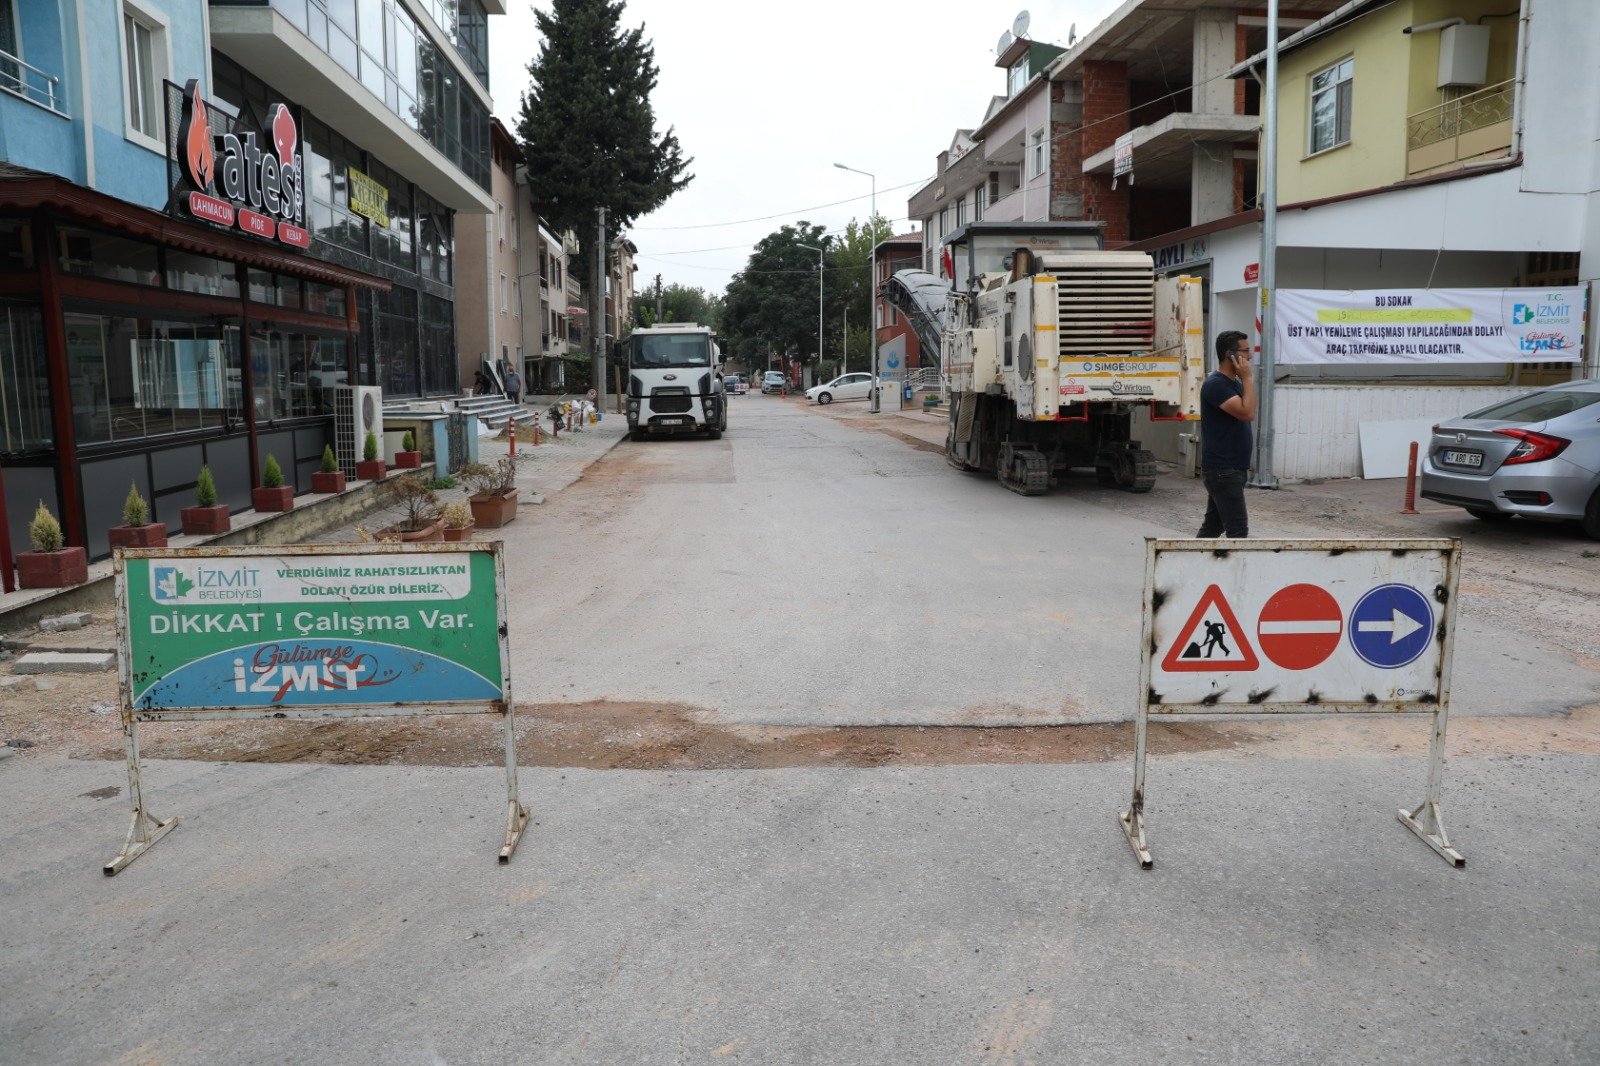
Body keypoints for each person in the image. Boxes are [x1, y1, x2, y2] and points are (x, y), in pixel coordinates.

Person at [1197, 329, 1256, 539]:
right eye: (1245, 351)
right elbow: (1247, 413)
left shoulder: (1233, 384)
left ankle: (1191, 560)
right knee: (1237, 531)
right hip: (1223, 470)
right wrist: (1248, 378)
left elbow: (1249, 409)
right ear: (1230, 354)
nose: (1250, 356)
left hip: (1231, 469)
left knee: (1213, 528)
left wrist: (1244, 380)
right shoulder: (1216, 384)